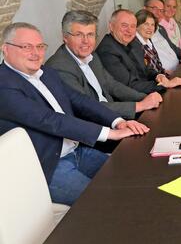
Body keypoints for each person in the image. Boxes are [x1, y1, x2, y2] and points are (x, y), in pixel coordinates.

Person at [0, 22, 149, 205]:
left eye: (40, 46)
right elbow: (50, 120)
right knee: (106, 202)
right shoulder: (3, 84)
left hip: (77, 151)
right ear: (5, 49)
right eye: (26, 47)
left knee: (134, 179)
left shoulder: (47, 72)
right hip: (47, 166)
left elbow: (80, 100)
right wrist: (110, 134)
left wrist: (117, 121)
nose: (36, 53)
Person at [46, 10, 162, 120]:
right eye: (79, 35)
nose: (86, 41)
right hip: (94, 129)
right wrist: (139, 105)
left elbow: (112, 85)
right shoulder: (59, 66)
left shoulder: (92, 56)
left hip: (112, 116)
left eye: (90, 34)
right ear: (65, 37)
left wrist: (144, 98)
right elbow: (88, 108)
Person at [96, 9, 181, 94]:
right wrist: (164, 85)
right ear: (111, 26)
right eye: (124, 25)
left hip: (145, 91)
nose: (129, 30)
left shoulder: (132, 43)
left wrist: (158, 76)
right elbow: (129, 85)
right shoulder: (107, 50)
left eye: (133, 26)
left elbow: (145, 69)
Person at [144, 0, 181, 73]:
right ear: (144, 9)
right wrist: (161, 72)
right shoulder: (142, 32)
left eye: (161, 10)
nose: (158, 13)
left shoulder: (161, 28)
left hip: (179, 67)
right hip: (166, 75)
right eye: (154, 8)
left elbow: (172, 46)